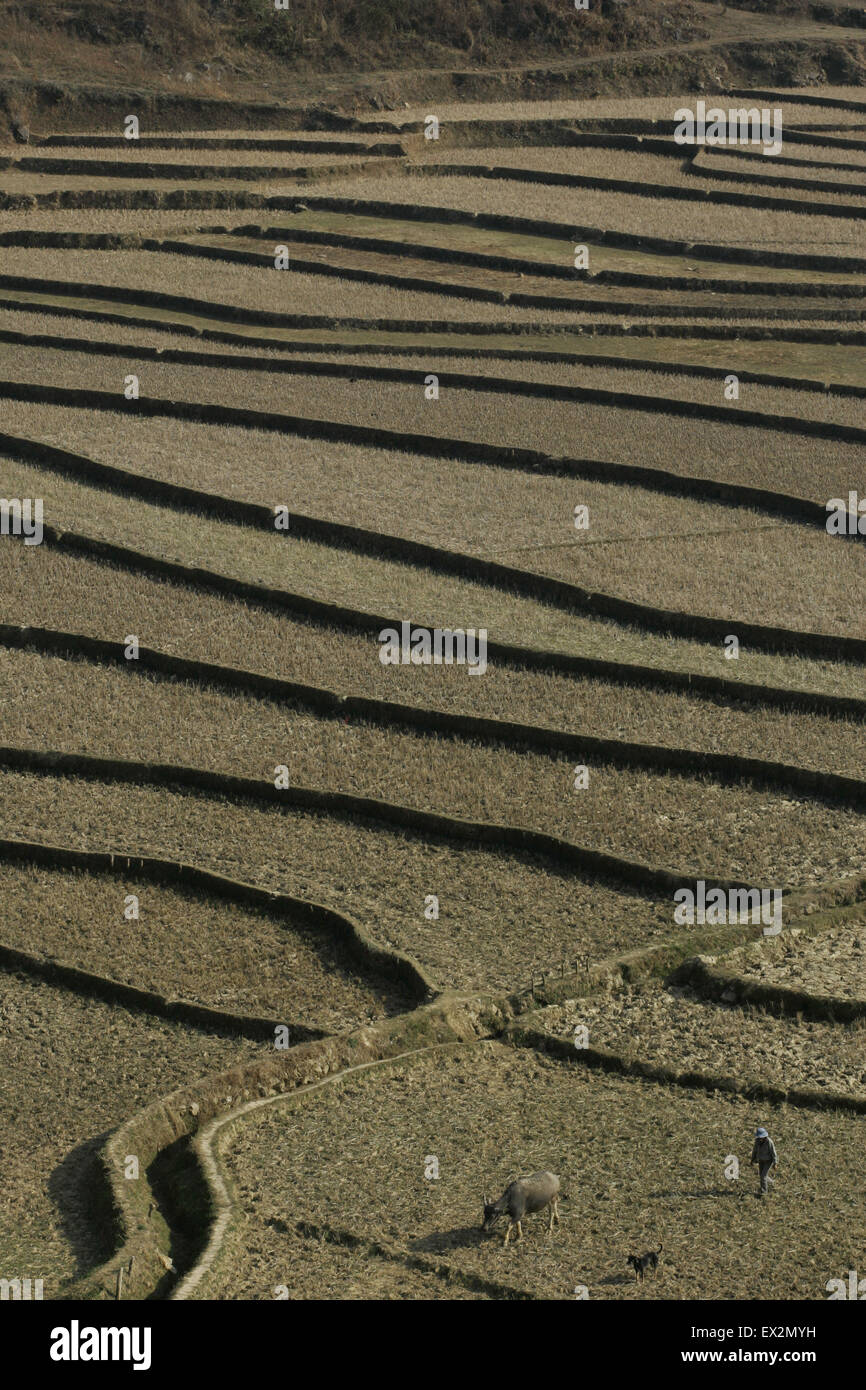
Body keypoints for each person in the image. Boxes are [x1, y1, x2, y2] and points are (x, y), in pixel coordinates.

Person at [750, 1127, 778, 1196]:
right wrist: (752, 1160)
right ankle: (771, 1182)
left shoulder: (769, 1142)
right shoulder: (757, 1142)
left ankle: (764, 1192)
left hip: (768, 1161)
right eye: (759, 1138)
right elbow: (755, 1150)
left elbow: (773, 1153)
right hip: (761, 1160)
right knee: (762, 1175)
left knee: (763, 1176)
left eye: (761, 1137)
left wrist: (775, 1163)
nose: (760, 1139)